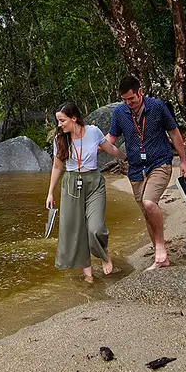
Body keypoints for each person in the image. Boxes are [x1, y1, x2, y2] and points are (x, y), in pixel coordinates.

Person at [106, 76, 186, 271]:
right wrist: (88, 146)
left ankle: (161, 249)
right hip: (136, 169)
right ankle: (159, 255)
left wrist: (183, 160)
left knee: (149, 203)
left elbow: (174, 133)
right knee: (146, 213)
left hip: (160, 162)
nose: (128, 103)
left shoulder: (157, 107)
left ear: (140, 92)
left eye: (131, 99)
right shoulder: (120, 112)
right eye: (125, 100)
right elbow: (110, 138)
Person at [46, 101, 127, 282]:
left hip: (94, 183)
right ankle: (88, 275)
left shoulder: (93, 131)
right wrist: (50, 192)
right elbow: (57, 167)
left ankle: (104, 254)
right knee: (76, 231)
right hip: (71, 184)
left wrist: (127, 157)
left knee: (95, 228)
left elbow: (110, 148)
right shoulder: (60, 139)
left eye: (62, 120)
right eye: (58, 121)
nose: (60, 125)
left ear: (74, 118)